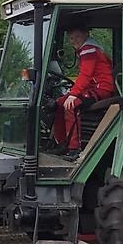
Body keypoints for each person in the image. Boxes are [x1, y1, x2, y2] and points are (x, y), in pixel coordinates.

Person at [49, 24, 115, 160]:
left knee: (71, 105)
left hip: (101, 89)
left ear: (86, 35)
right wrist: (70, 94)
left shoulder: (89, 50)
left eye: (78, 37)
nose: (74, 41)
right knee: (59, 103)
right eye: (71, 38)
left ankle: (74, 148)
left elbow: (86, 74)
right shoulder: (87, 50)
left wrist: (73, 94)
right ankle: (62, 142)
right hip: (93, 87)